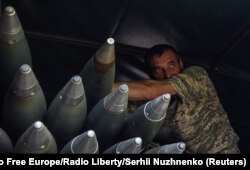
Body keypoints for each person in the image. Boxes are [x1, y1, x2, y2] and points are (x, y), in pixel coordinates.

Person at [113, 44, 240, 154]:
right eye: (158, 70)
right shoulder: (149, 104)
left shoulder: (197, 76)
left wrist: (101, 84)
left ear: (180, 63)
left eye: (171, 65)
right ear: (151, 74)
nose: (167, 74)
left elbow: (151, 89)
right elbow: (118, 115)